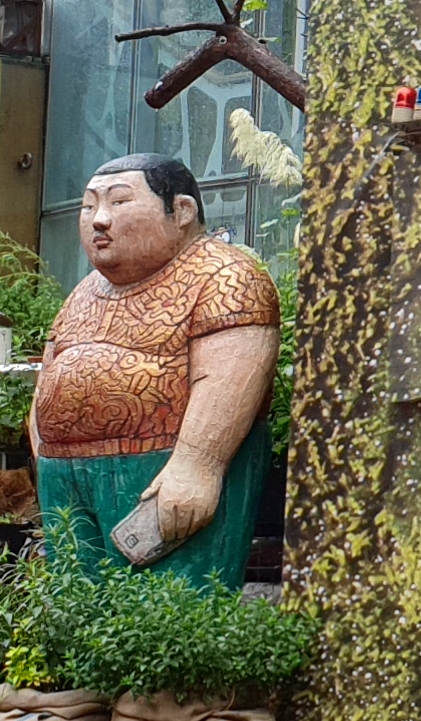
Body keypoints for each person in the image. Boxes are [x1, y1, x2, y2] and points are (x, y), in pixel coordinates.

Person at [27, 155, 280, 589]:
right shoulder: (84, 292)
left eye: (119, 202)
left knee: (165, 604)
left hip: (160, 470)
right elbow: (51, 371)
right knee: (76, 604)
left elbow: (230, 376)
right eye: (89, 206)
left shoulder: (226, 277)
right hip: (65, 479)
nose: (99, 219)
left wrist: (197, 463)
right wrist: (43, 447)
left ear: (181, 211)